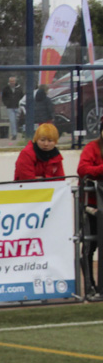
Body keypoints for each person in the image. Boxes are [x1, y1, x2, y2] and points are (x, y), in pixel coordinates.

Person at [78, 121, 103, 297]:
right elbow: (83, 169)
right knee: (90, 245)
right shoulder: (91, 148)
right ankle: (89, 286)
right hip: (92, 206)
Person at [1, 76, 24, 140]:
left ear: (15, 81)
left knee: (18, 120)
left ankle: (19, 132)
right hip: (10, 107)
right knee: (12, 120)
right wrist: (6, 103)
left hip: (18, 106)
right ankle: (14, 134)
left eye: (13, 81)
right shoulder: (6, 89)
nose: (12, 83)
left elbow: (22, 96)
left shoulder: (19, 88)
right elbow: (3, 97)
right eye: (10, 81)